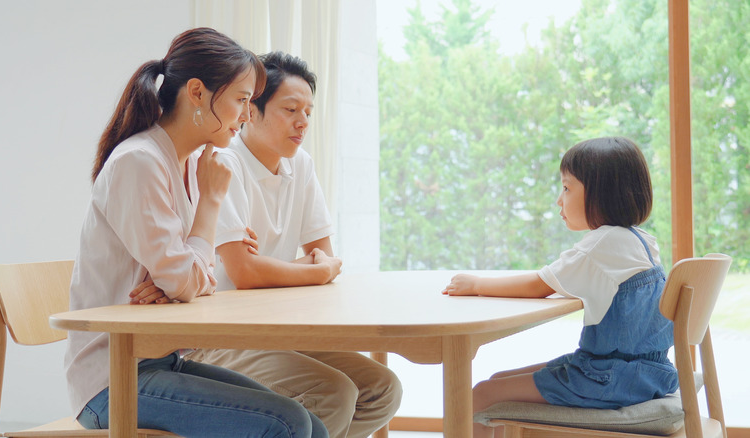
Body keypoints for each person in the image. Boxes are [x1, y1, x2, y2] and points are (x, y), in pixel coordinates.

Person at [64, 28, 328, 438]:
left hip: (160, 360)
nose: (245, 114)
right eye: (241, 99)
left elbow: (190, 277)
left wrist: (180, 277)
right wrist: (208, 208)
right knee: (286, 424)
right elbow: (188, 278)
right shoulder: (140, 162)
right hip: (112, 380)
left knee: (309, 422)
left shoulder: (189, 162)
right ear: (198, 93)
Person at [182, 52, 402, 438]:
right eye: (290, 109)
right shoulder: (222, 164)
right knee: (334, 393)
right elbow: (246, 273)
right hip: (217, 338)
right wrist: (308, 269)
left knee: (381, 388)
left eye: (309, 111)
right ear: (251, 111)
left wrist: (298, 268)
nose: (303, 122)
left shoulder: (300, 164)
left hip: (277, 332)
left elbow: (326, 259)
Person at [442, 137, 679, 438]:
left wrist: (476, 284)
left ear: (601, 194)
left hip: (607, 377)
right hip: (648, 375)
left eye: (567, 188)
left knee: (479, 396)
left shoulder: (602, 243)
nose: (559, 199)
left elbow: (538, 285)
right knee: (498, 380)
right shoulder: (642, 241)